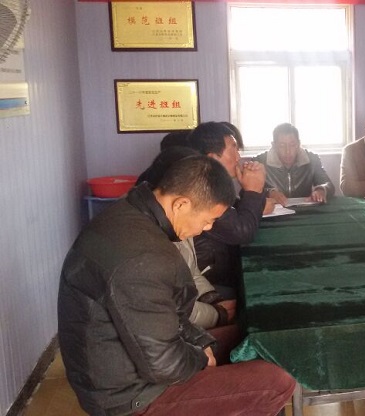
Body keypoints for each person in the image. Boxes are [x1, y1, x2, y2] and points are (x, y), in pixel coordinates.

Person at [58, 156, 295, 415]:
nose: (207, 228)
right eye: (209, 219)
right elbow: (164, 365)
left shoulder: (131, 213)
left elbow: (169, 315)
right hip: (129, 397)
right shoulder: (143, 258)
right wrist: (200, 357)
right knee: (277, 382)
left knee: (254, 338)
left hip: (129, 361)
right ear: (181, 204)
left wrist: (199, 341)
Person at [137, 146, 235, 330]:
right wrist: (218, 315)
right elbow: (174, 309)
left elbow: (191, 271)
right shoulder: (148, 243)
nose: (208, 227)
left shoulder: (176, 219)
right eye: (208, 221)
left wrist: (211, 299)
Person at [187, 121, 272, 297]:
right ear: (213, 158)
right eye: (233, 149)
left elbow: (233, 213)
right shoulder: (201, 191)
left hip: (220, 269)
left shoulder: (210, 181)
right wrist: (253, 192)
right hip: (211, 281)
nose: (238, 157)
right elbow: (242, 232)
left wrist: (252, 192)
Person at [254, 122, 335, 205]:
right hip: (273, 210)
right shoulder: (260, 162)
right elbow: (248, 193)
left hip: (304, 209)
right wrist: (269, 193)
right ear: (274, 145)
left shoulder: (311, 159)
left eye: (292, 145)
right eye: (282, 145)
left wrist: (321, 190)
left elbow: (328, 185)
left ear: (298, 144)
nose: (288, 151)